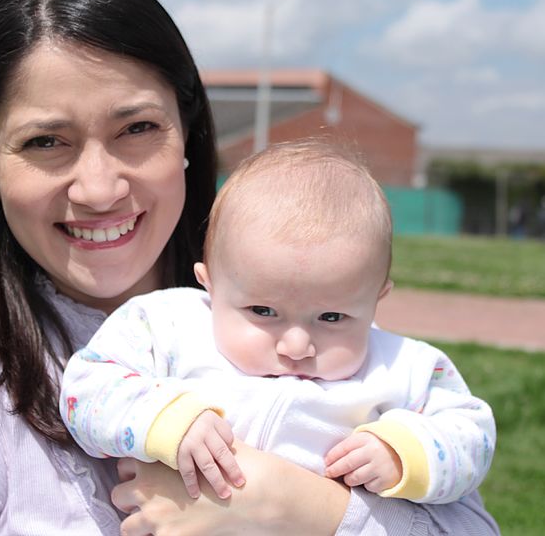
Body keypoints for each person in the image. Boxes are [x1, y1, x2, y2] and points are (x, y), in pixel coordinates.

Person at [0, 0, 500, 536]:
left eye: (137, 128)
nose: (99, 187)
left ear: (187, 132)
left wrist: (302, 510)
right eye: (45, 141)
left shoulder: (335, 348)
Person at [60, 139, 495, 504]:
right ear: (209, 284)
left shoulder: (403, 366)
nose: (296, 345)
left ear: (377, 300)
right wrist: (165, 419)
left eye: (332, 316)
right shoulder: (170, 325)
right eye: (263, 312)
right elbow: (88, 387)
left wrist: (405, 454)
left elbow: (471, 434)